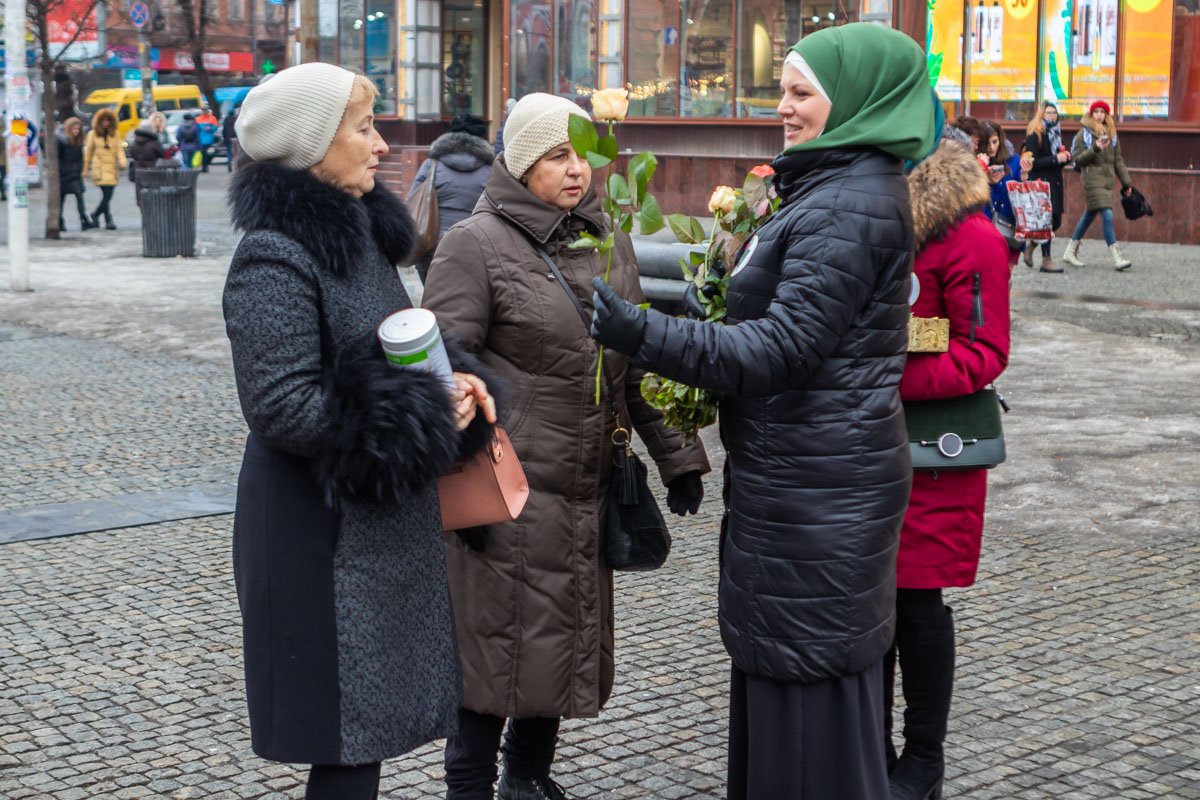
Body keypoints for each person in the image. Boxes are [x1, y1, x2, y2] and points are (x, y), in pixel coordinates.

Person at [589, 23, 934, 799]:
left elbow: (778, 350)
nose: (782, 106)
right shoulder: (831, 188)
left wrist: (641, 330)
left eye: (801, 92)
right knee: (799, 684)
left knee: (808, 700)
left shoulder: (847, 205)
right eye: (783, 88)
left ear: (856, 103)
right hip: (808, 483)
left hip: (818, 495)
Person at [421, 91, 710, 800]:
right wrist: (467, 468)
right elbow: (439, 366)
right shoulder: (475, 244)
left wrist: (679, 458)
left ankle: (527, 778)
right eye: (557, 155)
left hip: (586, 487)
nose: (577, 169)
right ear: (521, 164)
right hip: (508, 493)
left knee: (555, 645)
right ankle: (469, 789)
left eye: (584, 154)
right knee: (490, 657)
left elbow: (636, 360)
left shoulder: (607, 242)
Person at [223, 62, 500, 800]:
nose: (382, 146)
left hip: (371, 523)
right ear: (311, 145)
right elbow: (282, 405)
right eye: (363, 127)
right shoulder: (274, 253)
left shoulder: (360, 235)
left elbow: (392, 350)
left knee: (364, 739)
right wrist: (420, 411)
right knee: (343, 742)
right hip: (317, 539)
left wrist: (453, 380)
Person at [885, 125, 1011, 800]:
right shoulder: (868, 217)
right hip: (861, 447)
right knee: (867, 605)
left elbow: (983, 352)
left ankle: (924, 755)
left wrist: (881, 379)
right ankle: (869, 745)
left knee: (915, 604)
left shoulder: (972, 237)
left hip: (934, 454)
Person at [406, 113, 494, 282]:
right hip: (476, 248)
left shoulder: (432, 164)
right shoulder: (491, 170)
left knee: (433, 300)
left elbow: (412, 198)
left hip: (433, 246)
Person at [1063, 100, 1134, 271]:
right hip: (1091, 179)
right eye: (1096, 112)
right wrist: (1094, 148)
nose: (1099, 115)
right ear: (1091, 114)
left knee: (1090, 214)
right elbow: (1078, 159)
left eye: (1103, 112)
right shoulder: (1084, 134)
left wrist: (1126, 183)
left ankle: (1070, 251)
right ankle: (1117, 257)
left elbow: (1118, 160)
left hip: (1107, 181)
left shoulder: (1112, 134)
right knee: (1107, 214)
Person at [1020, 102, 1070, 272]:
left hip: (1055, 182)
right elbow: (1031, 163)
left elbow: (1056, 160)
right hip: (1041, 183)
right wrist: (1056, 158)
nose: (1052, 116)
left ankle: (1032, 245)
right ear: (1041, 114)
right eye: (1048, 113)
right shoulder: (1036, 133)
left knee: (1056, 222)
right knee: (1047, 221)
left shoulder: (1056, 132)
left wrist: (1065, 158)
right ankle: (1046, 260)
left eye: (1054, 113)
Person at [980, 121, 1023, 268]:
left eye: (995, 141)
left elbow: (1021, 195)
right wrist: (986, 179)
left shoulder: (1014, 160)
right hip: (985, 227)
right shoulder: (976, 162)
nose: (991, 147)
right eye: (987, 143)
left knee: (1006, 276)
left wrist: (1024, 177)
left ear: (1001, 139)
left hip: (1009, 225)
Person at [83, 108, 127, 230]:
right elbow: (89, 152)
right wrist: (85, 169)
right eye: (104, 121)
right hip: (100, 169)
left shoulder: (115, 134)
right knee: (106, 195)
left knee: (108, 195)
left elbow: (119, 150)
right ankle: (108, 220)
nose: (106, 123)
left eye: (108, 120)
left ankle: (96, 215)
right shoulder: (92, 134)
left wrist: (123, 161)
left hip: (112, 169)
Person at [57, 117, 92, 231]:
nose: (76, 131)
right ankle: (59, 221)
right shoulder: (62, 141)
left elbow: (80, 158)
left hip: (75, 174)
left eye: (78, 129)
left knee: (79, 196)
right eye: (74, 129)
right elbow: (57, 158)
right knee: (61, 199)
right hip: (64, 174)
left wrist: (81, 170)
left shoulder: (78, 141)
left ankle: (84, 219)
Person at [130, 121, 168, 206]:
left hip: (138, 170)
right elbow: (162, 154)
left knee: (140, 191)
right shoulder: (154, 142)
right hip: (153, 170)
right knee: (153, 191)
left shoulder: (135, 142)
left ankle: (144, 211)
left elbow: (132, 154)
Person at [196, 106, 219, 172]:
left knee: (207, 154)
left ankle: (205, 166)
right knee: (203, 154)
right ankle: (204, 167)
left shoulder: (212, 118)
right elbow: (196, 129)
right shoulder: (198, 119)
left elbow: (215, 127)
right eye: (203, 110)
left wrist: (210, 128)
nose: (204, 111)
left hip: (209, 140)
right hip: (201, 140)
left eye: (205, 110)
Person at [222, 107, 239, 172]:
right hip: (235, 138)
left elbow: (224, 130)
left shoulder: (226, 120)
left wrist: (224, 137)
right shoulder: (236, 119)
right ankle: (235, 165)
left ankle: (229, 161)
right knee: (236, 153)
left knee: (229, 151)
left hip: (228, 138)